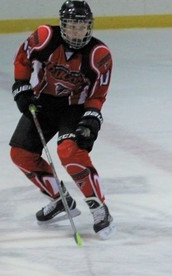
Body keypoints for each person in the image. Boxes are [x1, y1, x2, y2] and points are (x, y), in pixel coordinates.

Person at [9, 0, 114, 239]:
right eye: (72, 26)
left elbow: (98, 93)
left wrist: (91, 119)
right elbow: (23, 58)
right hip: (43, 103)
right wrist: (22, 86)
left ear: (90, 27)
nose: (77, 31)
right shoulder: (45, 36)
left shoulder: (99, 55)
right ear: (62, 25)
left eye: (82, 26)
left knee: (69, 152)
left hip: (74, 109)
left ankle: (99, 207)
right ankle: (60, 199)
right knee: (21, 154)